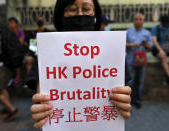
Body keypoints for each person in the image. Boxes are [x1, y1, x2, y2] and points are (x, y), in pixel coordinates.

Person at [30, 0, 132, 129]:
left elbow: (123, 93)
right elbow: (42, 97)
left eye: (86, 9)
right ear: (61, 15)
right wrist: (41, 111)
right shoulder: (47, 51)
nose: (80, 15)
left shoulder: (111, 49)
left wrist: (124, 103)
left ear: (95, 13)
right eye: (72, 9)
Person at [126, 13, 153, 109]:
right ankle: (128, 101)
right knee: (129, 82)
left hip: (142, 60)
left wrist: (145, 44)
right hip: (130, 60)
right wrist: (132, 44)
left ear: (143, 21)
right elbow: (123, 44)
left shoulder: (147, 33)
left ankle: (138, 101)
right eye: (136, 19)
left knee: (141, 82)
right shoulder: (128, 32)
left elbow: (151, 46)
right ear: (133, 21)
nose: (138, 21)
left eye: (140, 19)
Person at [151, 14, 169, 87]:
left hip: (168, 48)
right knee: (162, 55)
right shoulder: (155, 28)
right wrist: (160, 50)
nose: (166, 25)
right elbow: (154, 41)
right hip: (158, 48)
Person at [8, 17, 25, 87]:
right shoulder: (8, 32)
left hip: (19, 51)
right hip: (10, 51)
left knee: (16, 58)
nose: (10, 25)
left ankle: (17, 77)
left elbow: (21, 42)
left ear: (16, 24)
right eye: (9, 23)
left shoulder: (20, 31)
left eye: (12, 23)